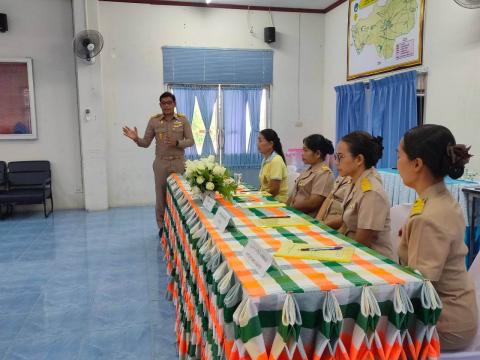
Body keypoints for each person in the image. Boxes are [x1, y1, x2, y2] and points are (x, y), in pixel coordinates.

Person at [396, 124, 477, 350]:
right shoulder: (437, 197)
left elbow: (421, 286)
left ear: (417, 164)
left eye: (399, 156)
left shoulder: (430, 216)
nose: (396, 163)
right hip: (457, 310)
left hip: (444, 323)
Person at [123, 92, 194, 237]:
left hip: (179, 162)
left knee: (181, 195)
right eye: (163, 103)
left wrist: (177, 143)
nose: (166, 105)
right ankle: (162, 226)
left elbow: (191, 141)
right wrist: (136, 139)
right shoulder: (154, 121)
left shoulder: (183, 120)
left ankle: (181, 224)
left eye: (169, 102)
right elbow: (145, 143)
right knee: (160, 197)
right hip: (161, 164)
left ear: (174, 104)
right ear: (160, 105)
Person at [335, 131, 393, 258]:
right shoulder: (353, 181)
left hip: (373, 261)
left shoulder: (371, 193)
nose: (336, 162)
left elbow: (362, 243)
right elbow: (346, 224)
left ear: (359, 159)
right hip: (351, 251)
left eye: (341, 157)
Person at [287, 134, 335, 217]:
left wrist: (290, 208)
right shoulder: (308, 169)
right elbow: (294, 194)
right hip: (294, 213)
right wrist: (285, 208)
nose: (302, 154)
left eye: (305, 150)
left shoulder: (324, 174)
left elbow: (313, 203)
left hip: (306, 218)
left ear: (317, 154)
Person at [257, 129, 288, 203]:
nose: (258, 144)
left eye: (260, 141)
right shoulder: (265, 159)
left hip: (277, 201)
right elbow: (263, 185)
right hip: (267, 199)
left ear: (270, 144)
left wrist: (258, 199)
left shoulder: (276, 160)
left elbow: (274, 190)